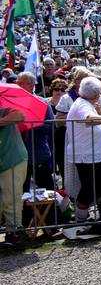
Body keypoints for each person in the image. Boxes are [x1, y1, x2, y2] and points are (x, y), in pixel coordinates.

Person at [66, 77, 101, 224]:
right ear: (94, 94)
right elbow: (89, 119)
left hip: (92, 153)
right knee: (89, 188)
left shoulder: (88, 103)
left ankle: (100, 215)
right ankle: (81, 218)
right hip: (85, 155)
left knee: (99, 186)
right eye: (99, 93)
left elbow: (93, 126)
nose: (100, 96)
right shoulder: (82, 105)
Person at [15, 72, 55, 190]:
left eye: (23, 83)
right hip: (18, 156)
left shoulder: (41, 103)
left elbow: (50, 125)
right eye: (18, 83)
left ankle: (53, 208)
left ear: (32, 86)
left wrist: (30, 124)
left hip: (39, 153)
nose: (19, 85)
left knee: (48, 189)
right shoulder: (12, 103)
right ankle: (25, 209)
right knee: (22, 190)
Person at [0, 104, 28, 244]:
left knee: (11, 197)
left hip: (13, 159)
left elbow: (20, 115)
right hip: (3, 159)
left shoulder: (4, 107)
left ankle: (15, 232)